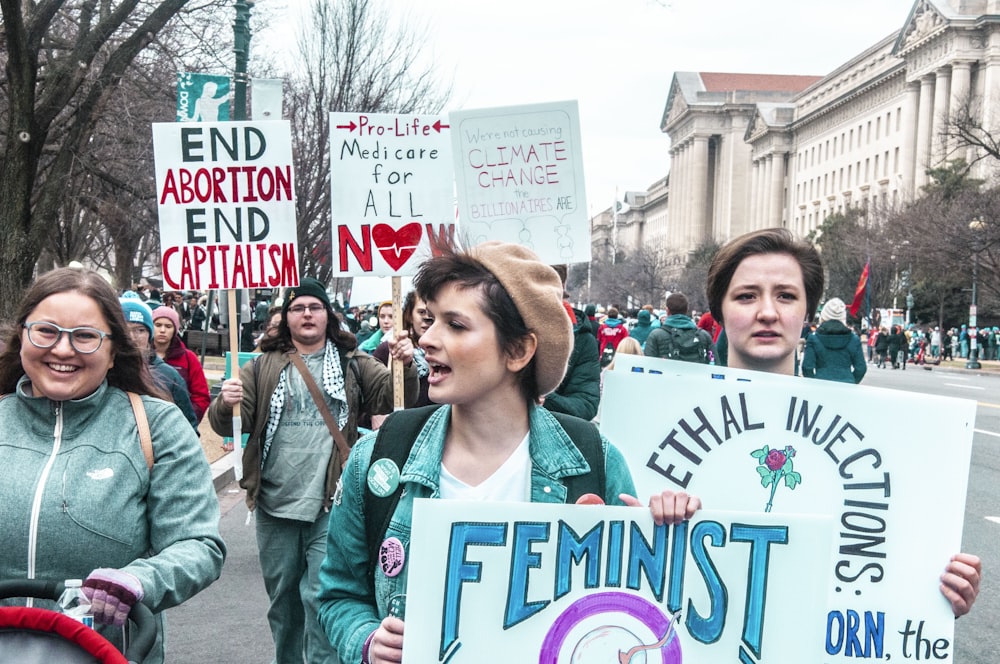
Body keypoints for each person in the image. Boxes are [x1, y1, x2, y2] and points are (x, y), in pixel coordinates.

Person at [315, 242, 698, 664]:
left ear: (518, 351)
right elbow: (339, 595)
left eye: (456, 325)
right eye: (431, 320)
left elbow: (640, 621)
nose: (427, 338)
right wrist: (368, 643)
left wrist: (667, 532)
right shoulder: (381, 457)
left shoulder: (594, 462)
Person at [704, 227, 980, 617]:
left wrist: (934, 597)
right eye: (747, 296)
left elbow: (888, 558)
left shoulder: (878, 436)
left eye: (786, 296)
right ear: (719, 309)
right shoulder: (651, 427)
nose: (767, 312)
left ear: (807, 312)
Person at [0, 268, 225, 663]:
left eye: (85, 336)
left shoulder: (156, 426)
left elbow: (199, 544)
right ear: (22, 336)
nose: (63, 350)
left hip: (107, 653)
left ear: (113, 349)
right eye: (46, 331)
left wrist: (140, 580)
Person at [207, 277, 419, 664]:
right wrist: (226, 403)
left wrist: (405, 365)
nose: (307, 314)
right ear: (286, 318)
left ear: (328, 316)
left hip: (331, 505)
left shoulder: (354, 362)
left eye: (315, 307)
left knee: (323, 600)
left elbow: (393, 396)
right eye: (298, 308)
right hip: (275, 504)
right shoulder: (260, 368)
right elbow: (228, 425)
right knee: (283, 607)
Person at [121, 293, 199, 431]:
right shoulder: (102, 373)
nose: (133, 337)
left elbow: (188, 427)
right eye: (126, 330)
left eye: (140, 330)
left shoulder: (169, 376)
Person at [540, 264, 600, 421]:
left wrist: (542, 397)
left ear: (560, 288)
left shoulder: (582, 339)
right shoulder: (496, 329)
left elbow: (586, 404)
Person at [152, 305, 210, 422]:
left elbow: (201, 395)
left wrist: (188, 419)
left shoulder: (189, 358)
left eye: (168, 326)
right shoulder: (139, 356)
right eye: (158, 325)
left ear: (175, 329)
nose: (162, 330)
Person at [801, 297, 867, 384]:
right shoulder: (854, 339)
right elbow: (861, 368)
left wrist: (814, 383)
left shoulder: (814, 338)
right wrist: (852, 382)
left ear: (824, 315)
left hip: (820, 384)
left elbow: (807, 367)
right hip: (847, 385)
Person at [643, 292, 715, 364]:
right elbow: (714, 363)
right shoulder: (704, 336)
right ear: (686, 310)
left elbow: (648, 365)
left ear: (667, 311)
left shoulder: (656, 335)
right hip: (699, 374)